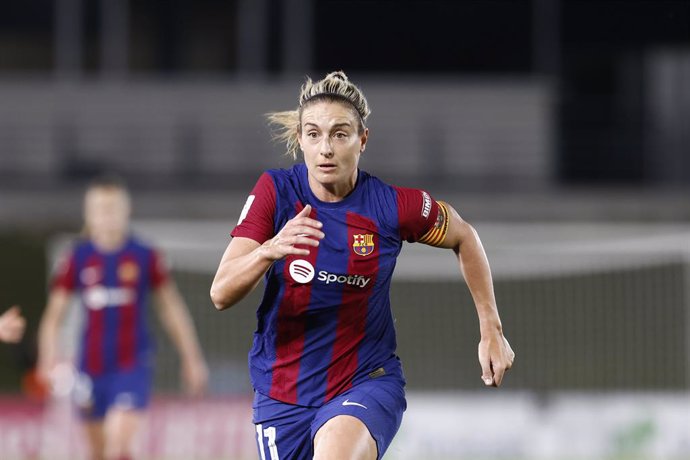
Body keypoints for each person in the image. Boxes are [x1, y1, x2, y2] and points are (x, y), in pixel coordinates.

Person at [210, 71, 515, 460]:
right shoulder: (275, 192)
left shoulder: (390, 207)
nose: (326, 149)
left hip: (365, 381)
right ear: (300, 140)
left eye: (340, 134)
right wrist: (268, 249)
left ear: (362, 140)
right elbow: (220, 294)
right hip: (281, 393)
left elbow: (464, 236)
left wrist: (491, 327)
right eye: (314, 134)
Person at [38, 176, 208, 460]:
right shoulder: (78, 258)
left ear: (126, 211)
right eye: (101, 209)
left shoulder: (143, 255)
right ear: (89, 214)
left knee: (119, 446)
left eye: (113, 208)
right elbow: (54, 316)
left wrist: (192, 358)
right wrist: (47, 357)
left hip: (132, 364)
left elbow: (171, 309)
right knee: (98, 451)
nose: (108, 215)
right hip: (90, 367)